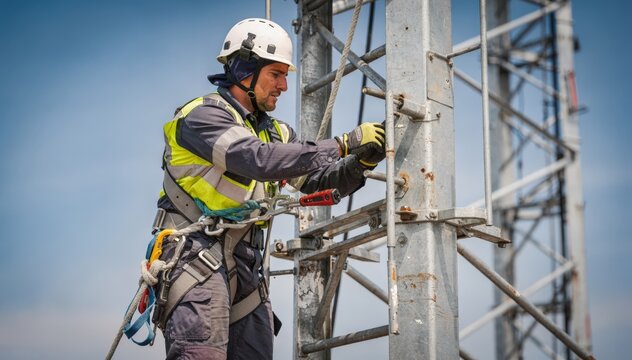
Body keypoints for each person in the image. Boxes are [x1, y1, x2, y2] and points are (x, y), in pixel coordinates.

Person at [152, 18, 385, 360]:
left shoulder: (276, 133)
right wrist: (344, 142)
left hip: (247, 265)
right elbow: (257, 160)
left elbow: (318, 180)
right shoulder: (202, 117)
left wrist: (362, 160)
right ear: (245, 69)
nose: (284, 85)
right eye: (276, 74)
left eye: (285, 76)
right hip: (196, 256)